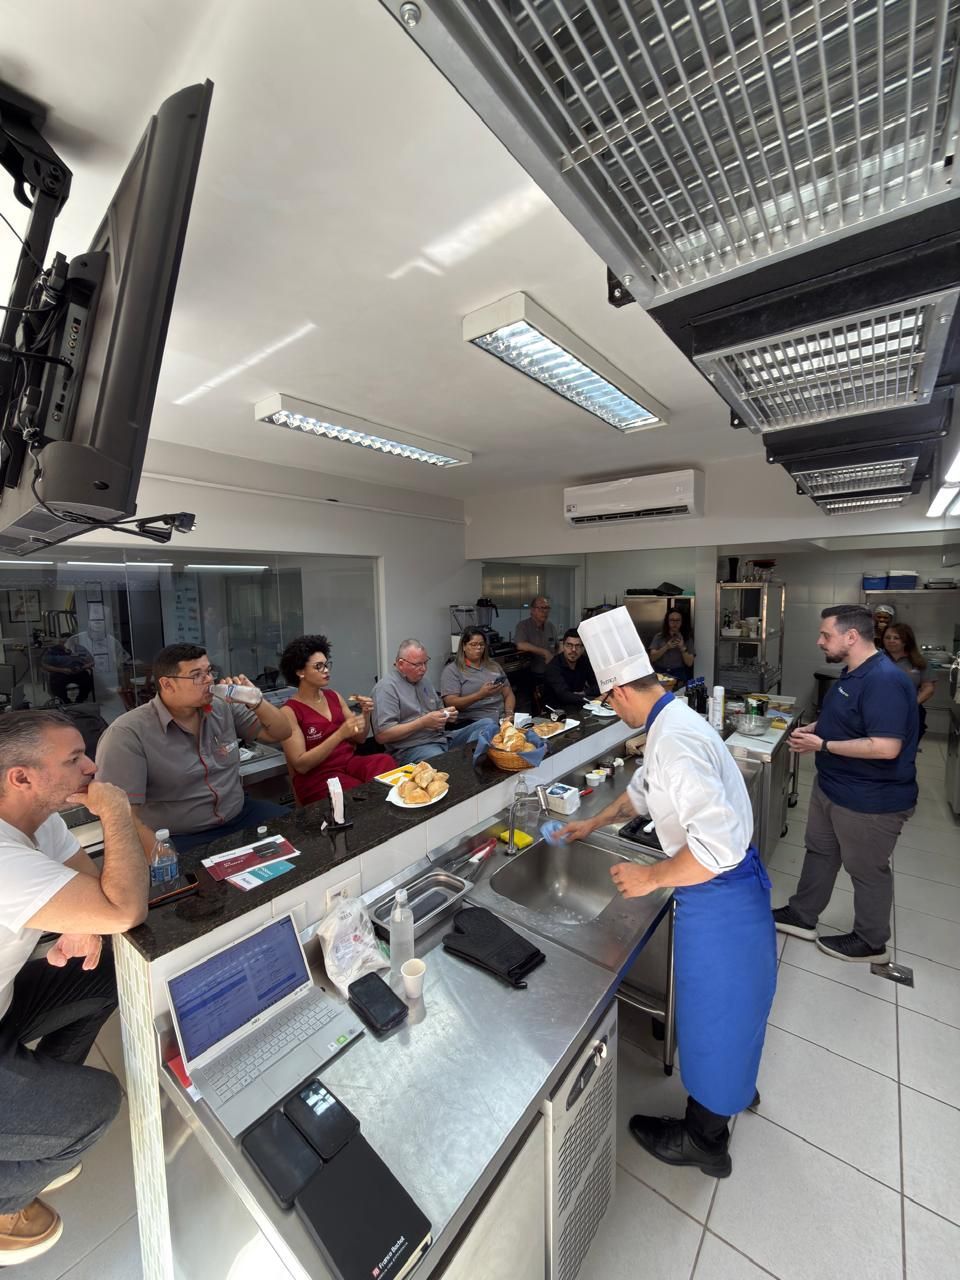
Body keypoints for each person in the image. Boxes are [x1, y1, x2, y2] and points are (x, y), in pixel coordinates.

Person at [559, 608, 776, 1179]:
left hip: (721, 897)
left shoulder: (674, 739)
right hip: (729, 895)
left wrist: (651, 876)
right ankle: (732, 1093)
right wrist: (592, 824)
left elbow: (717, 847)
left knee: (715, 1013)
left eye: (610, 701)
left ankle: (705, 1138)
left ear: (623, 690)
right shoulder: (669, 724)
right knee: (739, 1009)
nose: (612, 710)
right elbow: (642, 795)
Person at [0, 711, 152, 1265]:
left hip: (6, 1003)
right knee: (97, 1105)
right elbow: (126, 903)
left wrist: (85, 920)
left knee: (113, 965)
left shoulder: (39, 819)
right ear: (22, 777)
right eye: (74, 760)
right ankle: (4, 1199)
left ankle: (38, 1110)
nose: (92, 767)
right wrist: (117, 810)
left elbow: (102, 894)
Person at [773, 605, 918, 963]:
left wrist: (823, 745)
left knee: (867, 869)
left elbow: (886, 746)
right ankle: (802, 915)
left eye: (826, 635)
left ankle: (871, 942)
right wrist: (818, 729)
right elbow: (851, 719)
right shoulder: (852, 671)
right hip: (833, 786)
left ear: (851, 636)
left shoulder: (884, 679)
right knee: (820, 852)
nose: (820, 641)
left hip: (870, 799)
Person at [95, 644, 292, 852]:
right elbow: (121, 815)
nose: (208, 680)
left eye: (209, 671)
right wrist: (160, 856)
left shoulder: (221, 706)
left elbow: (280, 732)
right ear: (167, 684)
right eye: (196, 675)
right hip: (180, 836)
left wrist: (256, 700)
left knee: (298, 835)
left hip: (239, 816)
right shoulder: (127, 734)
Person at [278, 634, 396, 803]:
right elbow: (301, 765)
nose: (326, 670)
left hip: (347, 764)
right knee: (355, 793)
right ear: (300, 672)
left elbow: (360, 738)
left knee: (385, 762)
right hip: (317, 777)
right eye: (318, 666)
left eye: (326, 665)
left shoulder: (334, 696)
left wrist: (365, 713)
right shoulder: (289, 711)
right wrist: (339, 734)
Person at [372, 639, 498, 766]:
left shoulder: (424, 682)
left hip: (442, 738)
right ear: (400, 664)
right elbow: (382, 735)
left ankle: (465, 762)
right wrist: (422, 723)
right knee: (440, 759)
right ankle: (462, 764)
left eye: (425, 662)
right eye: (417, 665)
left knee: (488, 725)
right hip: (412, 747)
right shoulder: (386, 688)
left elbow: (439, 710)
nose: (423, 669)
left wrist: (446, 715)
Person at [440, 628, 516, 725]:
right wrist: (480, 695)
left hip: (502, 718)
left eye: (482, 644)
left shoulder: (494, 666)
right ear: (464, 646)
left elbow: (508, 693)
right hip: (474, 722)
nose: (479, 648)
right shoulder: (452, 670)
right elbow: (451, 703)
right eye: (473, 644)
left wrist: (509, 714)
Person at [882, 622, 935, 740]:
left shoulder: (919, 661)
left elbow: (928, 688)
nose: (891, 641)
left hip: (910, 712)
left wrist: (912, 704)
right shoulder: (874, 659)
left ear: (906, 641)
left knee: (907, 751)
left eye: (896, 638)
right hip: (879, 711)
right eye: (887, 637)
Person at [513, 597, 558, 708]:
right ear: (532, 610)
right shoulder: (523, 626)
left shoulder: (550, 626)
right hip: (530, 674)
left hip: (549, 673)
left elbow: (557, 645)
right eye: (541, 608)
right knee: (529, 705)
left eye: (547, 608)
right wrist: (544, 652)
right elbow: (520, 644)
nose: (545, 611)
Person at [542, 630, 599, 711]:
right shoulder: (553, 666)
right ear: (563, 646)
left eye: (578, 646)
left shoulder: (584, 661)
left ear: (583, 648)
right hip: (555, 713)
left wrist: (584, 693)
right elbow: (564, 696)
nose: (573, 650)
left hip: (580, 708)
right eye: (569, 645)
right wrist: (592, 699)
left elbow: (598, 686)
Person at [648, 607, 695, 682]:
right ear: (667, 621)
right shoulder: (659, 637)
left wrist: (682, 648)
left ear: (682, 622)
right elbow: (652, 658)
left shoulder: (687, 639)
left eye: (678, 620)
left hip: (679, 674)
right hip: (660, 673)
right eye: (672, 620)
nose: (675, 623)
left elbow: (689, 663)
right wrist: (666, 647)